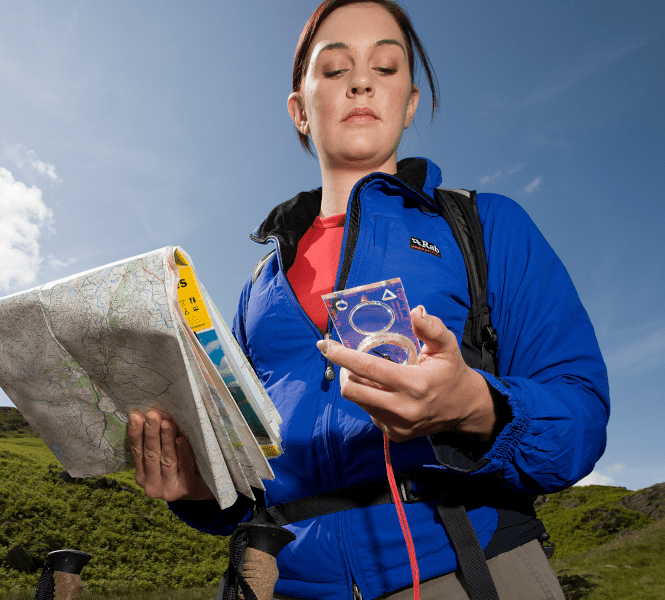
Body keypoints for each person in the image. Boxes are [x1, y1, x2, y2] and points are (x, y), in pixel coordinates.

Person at [127, 1, 610, 598]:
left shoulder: (487, 226)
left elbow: (582, 420)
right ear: (300, 111)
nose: (360, 81)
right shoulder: (258, 291)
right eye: (334, 70)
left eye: (385, 67)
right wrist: (199, 489)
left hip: (468, 569)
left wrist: (475, 405)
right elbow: (251, 485)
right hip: (283, 585)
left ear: (408, 103)